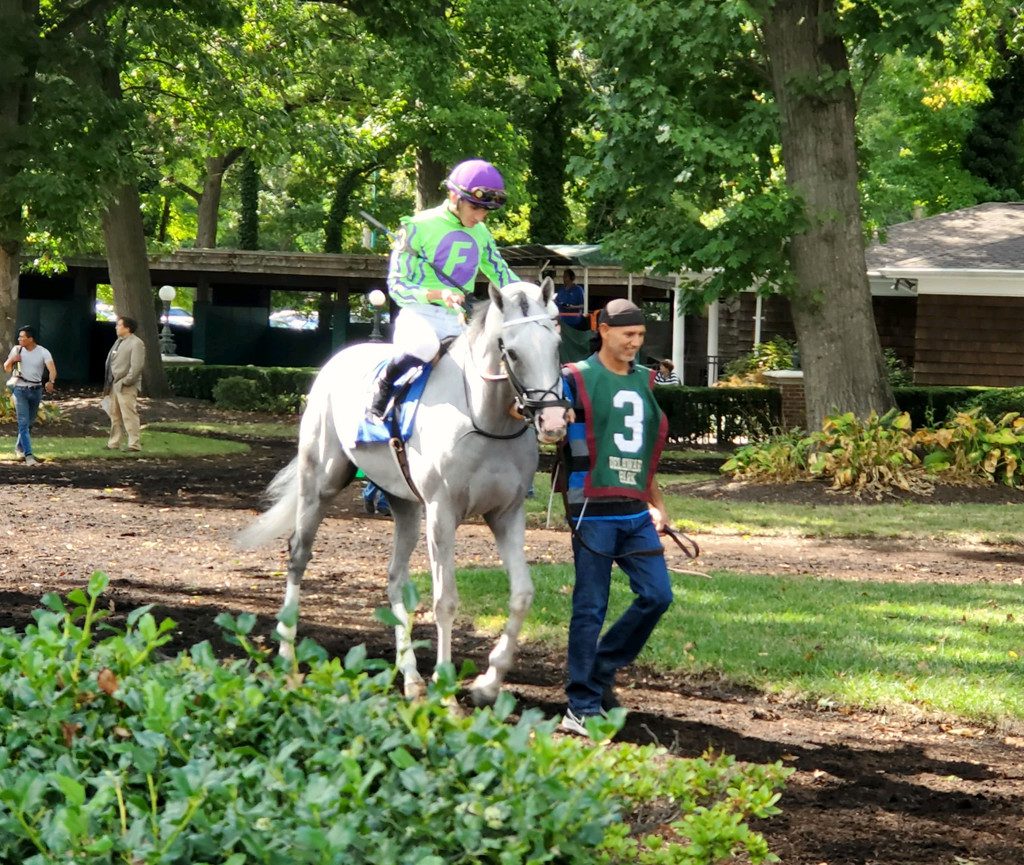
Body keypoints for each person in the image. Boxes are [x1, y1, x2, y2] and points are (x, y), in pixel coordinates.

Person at [557, 298, 673, 736]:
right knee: (590, 607)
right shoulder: (573, 379)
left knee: (658, 595)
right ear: (603, 329)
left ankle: (600, 667)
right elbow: (534, 418)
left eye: (641, 336)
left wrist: (659, 505)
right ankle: (580, 706)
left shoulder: (647, 380)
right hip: (591, 510)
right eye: (628, 334)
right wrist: (551, 423)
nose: (635, 342)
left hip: (634, 511)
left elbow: (643, 455)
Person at [368, 158, 520, 421]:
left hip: (458, 321)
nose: (480, 216)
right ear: (453, 196)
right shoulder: (417, 226)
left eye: (486, 211)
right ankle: (382, 386)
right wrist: (437, 294)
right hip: (419, 315)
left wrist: (530, 298)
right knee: (425, 347)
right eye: (475, 207)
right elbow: (397, 285)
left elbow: (501, 272)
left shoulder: (481, 233)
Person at [3, 326, 57, 466]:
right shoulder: (17, 350)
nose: (20, 339)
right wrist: (12, 360)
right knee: (23, 423)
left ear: (30, 339)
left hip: (36, 389)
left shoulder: (43, 352)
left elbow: (52, 370)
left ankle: (19, 448)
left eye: (22, 337)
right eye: (19, 337)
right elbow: (7, 368)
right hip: (20, 389)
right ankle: (29, 456)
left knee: (29, 423)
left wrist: (51, 381)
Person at [103, 316, 146, 451]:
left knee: (129, 414)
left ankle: (134, 444)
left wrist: (126, 381)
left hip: (125, 385)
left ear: (127, 328)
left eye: (119, 325)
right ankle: (114, 443)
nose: (116, 327)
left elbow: (137, 366)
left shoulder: (136, 343)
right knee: (114, 415)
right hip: (114, 385)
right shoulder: (119, 341)